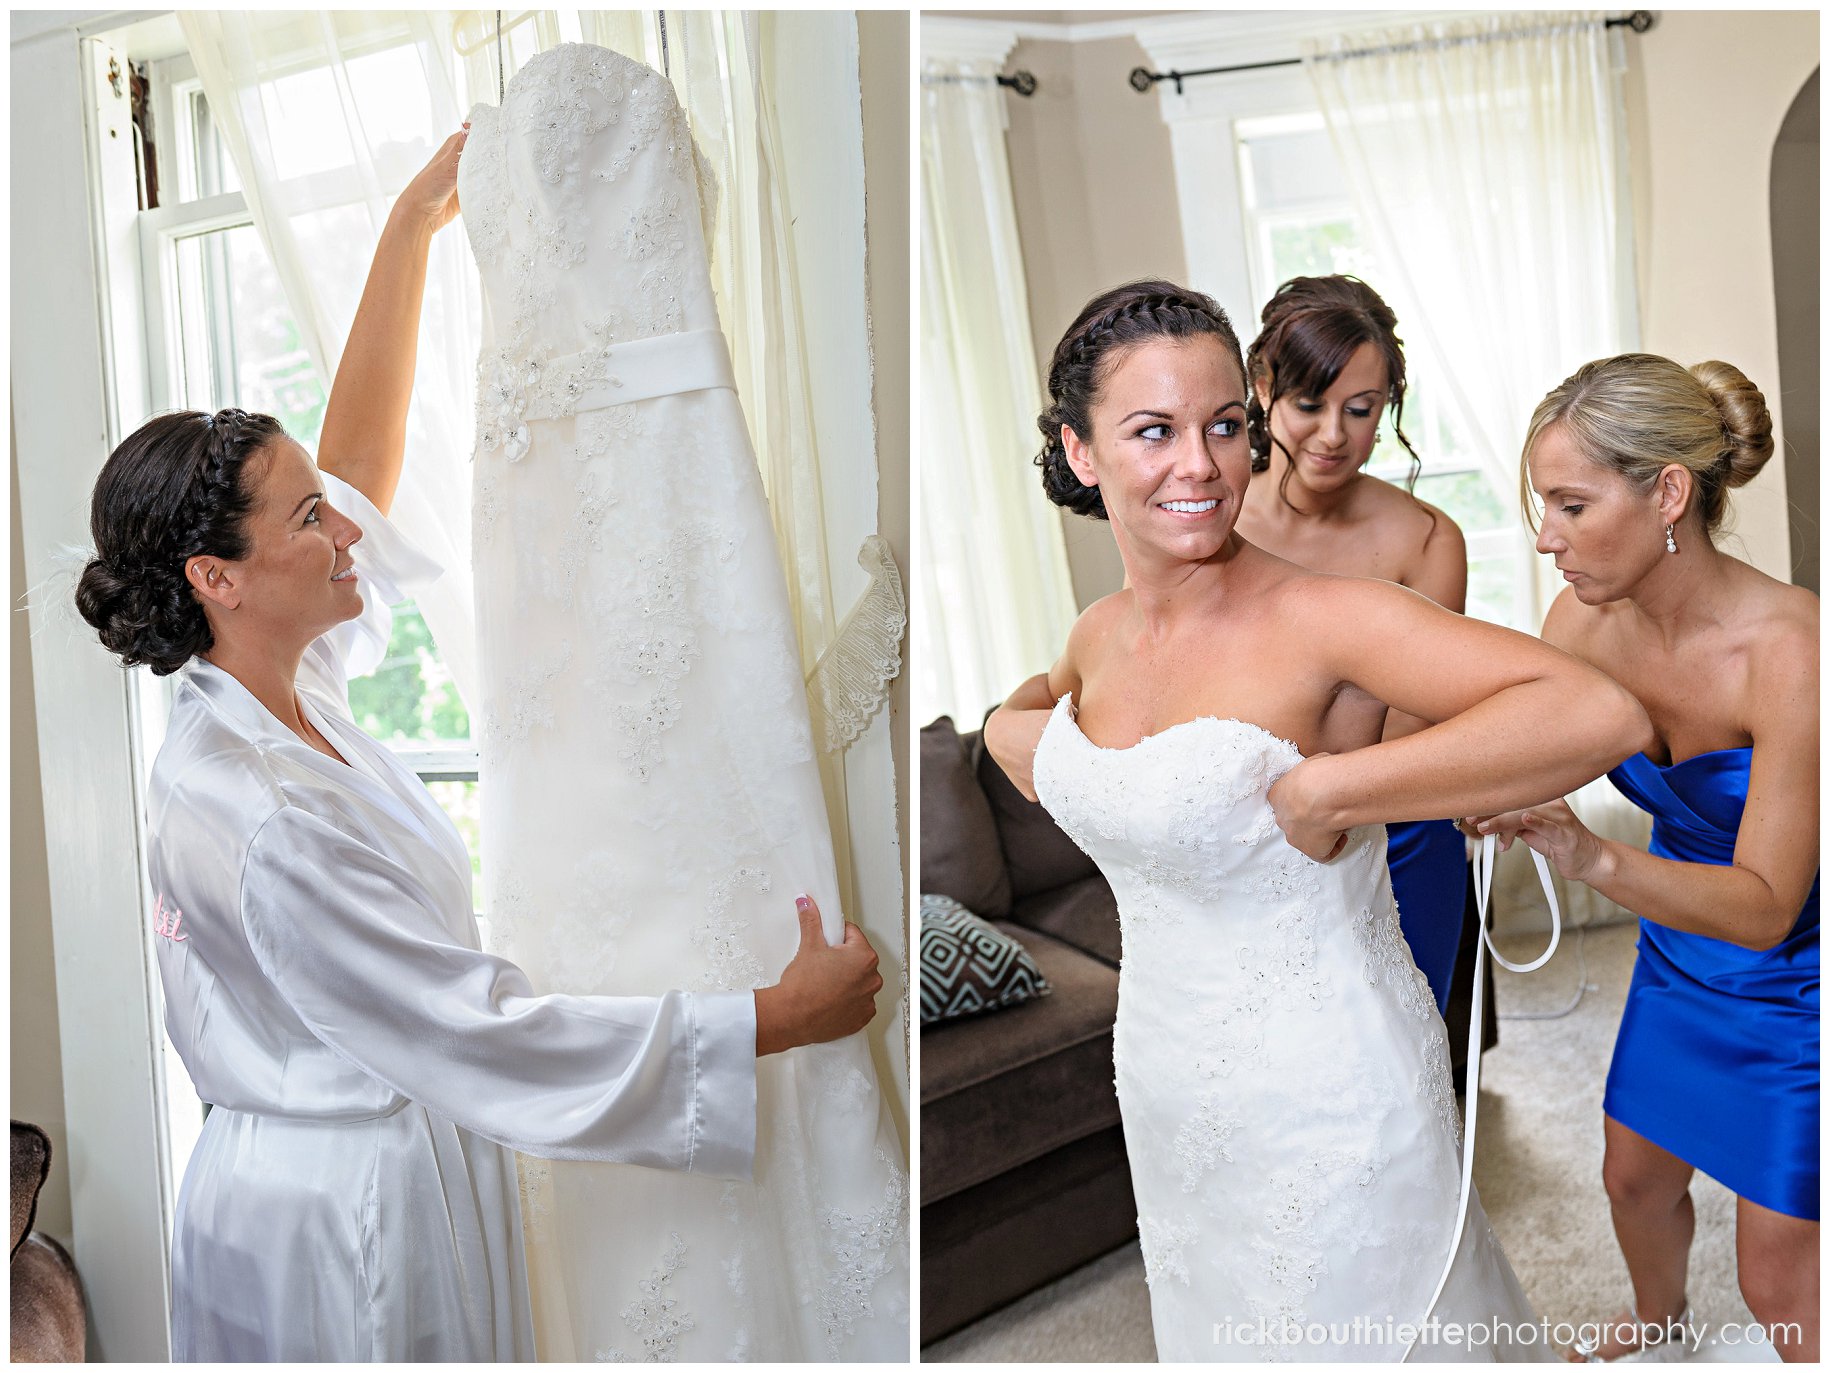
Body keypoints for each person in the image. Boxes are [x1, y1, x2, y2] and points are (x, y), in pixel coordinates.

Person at [72, 129, 882, 1362]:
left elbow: (352, 466)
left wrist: (409, 226)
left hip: (363, 1155)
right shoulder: (255, 811)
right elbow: (478, 1030)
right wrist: (769, 1017)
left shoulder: (278, 689)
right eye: (306, 521)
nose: (344, 531)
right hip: (345, 1222)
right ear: (215, 577)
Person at [984, 280, 1652, 1361]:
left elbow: (1597, 710)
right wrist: (1019, 742)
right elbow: (1013, 723)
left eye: (1223, 427)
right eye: (1153, 431)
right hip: (1168, 1074)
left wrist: (1334, 788)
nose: (1199, 465)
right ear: (1081, 450)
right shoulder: (1097, 636)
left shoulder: (1325, 612)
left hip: (1332, 1080)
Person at [1471, 354, 1818, 1363]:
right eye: (1544, 504)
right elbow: (1524, 745)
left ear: (1669, 490)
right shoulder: (1579, 623)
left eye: (1572, 505)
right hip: (1681, 951)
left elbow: (1763, 906)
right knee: (1632, 1176)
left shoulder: (1793, 651)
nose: (1546, 537)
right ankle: (1658, 1322)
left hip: (1800, 968)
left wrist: (1589, 856)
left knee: (1778, 1273)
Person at [1237, 274, 1469, 1012]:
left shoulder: (1428, 540)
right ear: (1262, 383)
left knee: (1402, 1054)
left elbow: (1410, 729)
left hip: (1399, 838)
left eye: (1361, 409)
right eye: (1309, 404)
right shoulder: (1211, 515)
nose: (1334, 434)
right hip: (1246, 835)